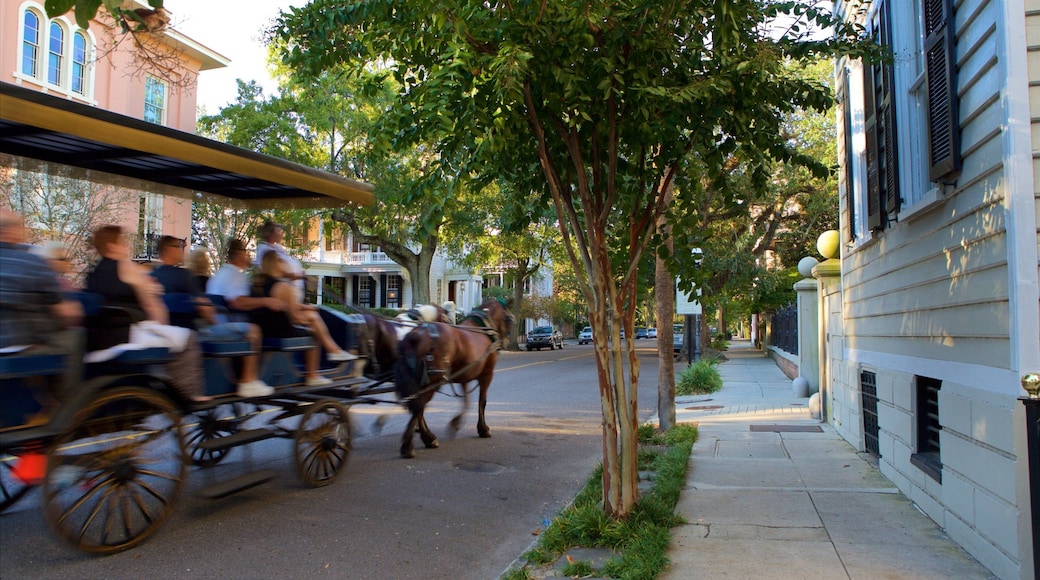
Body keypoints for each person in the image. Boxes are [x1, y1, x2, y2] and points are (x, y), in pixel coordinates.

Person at [84, 225, 210, 403]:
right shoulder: (126, 267)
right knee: (187, 339)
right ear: (112, 246)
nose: (126, 246)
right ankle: (188, 395)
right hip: (126, 335)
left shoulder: (93, 274)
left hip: (98, 338)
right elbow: (153, 308)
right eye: (122, 242)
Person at [150, 236, 273, 398]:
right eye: (179, 246)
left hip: (164, 333)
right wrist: (214, 323)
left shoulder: (153, 276)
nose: (182, 250)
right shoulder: (184, 276)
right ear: (168, 250)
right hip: (192, 334)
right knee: (253, 330)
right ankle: (248, 381)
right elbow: (205, 309)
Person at [208, 239, 337, 387]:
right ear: (238, 255)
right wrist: (268, 302)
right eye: (246, 253)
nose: (249, 257)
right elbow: (237, 302)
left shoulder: (221, 275)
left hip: (220, 323)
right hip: (236, 325)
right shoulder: (237, 277)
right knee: (313, 333)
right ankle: (313, 374)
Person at [0, 208, 82, 401]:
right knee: (75, 337)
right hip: (21, 347)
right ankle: (67, 400)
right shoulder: (32, 261)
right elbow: (64, 311)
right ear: (10, 232)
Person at [251, 251, 357, 387]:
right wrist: (309, 320)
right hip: (279, 330)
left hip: (266, 327)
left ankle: (333, 350)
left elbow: (287, 306)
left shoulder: (262, 284)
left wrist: (307, 308)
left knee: (312, 317)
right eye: (282, 261)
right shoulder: (284, 287)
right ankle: (314, 374)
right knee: (314, 332)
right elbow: (294, 317)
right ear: (277, 265)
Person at [255, 221, 305, 291]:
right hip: (280, 289)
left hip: (293, 287)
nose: (281, 233)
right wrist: (296, 276)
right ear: (270, 234)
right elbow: (274, 270)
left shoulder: (278, 247)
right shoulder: (264, 249)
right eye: (278, 230)